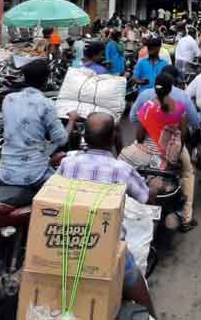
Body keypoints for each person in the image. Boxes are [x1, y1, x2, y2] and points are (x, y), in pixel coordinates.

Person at [57, 113, 157, 317]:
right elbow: (146, 197)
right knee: (141, 291)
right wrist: (154, 187)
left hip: (65, 243)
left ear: (85, 136)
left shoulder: (68, 163)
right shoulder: (122, 170)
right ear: (113, 136)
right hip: (108, 249)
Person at [127, 73, 197, 232]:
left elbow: (139, 136)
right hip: (172, 152)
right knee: (188, 173)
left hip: (146, 151)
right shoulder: (180, 107)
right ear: (170, 88)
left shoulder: (146, 106)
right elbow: (184, 135)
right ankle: (186, 218)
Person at [0, 59, 71, 188]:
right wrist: (72, 120)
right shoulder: (46, 104)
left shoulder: (8, 99)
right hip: (34, 175)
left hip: (4, 173)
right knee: (64, 187)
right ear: (46, 80)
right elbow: (61, 140)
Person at [130, 65, 200, 130]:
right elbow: (195, 122)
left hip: (148, 137)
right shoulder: (183, 97)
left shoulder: (145, 95)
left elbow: (133, 117)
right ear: (174, 80)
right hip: (174, 140)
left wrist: (147, 126)